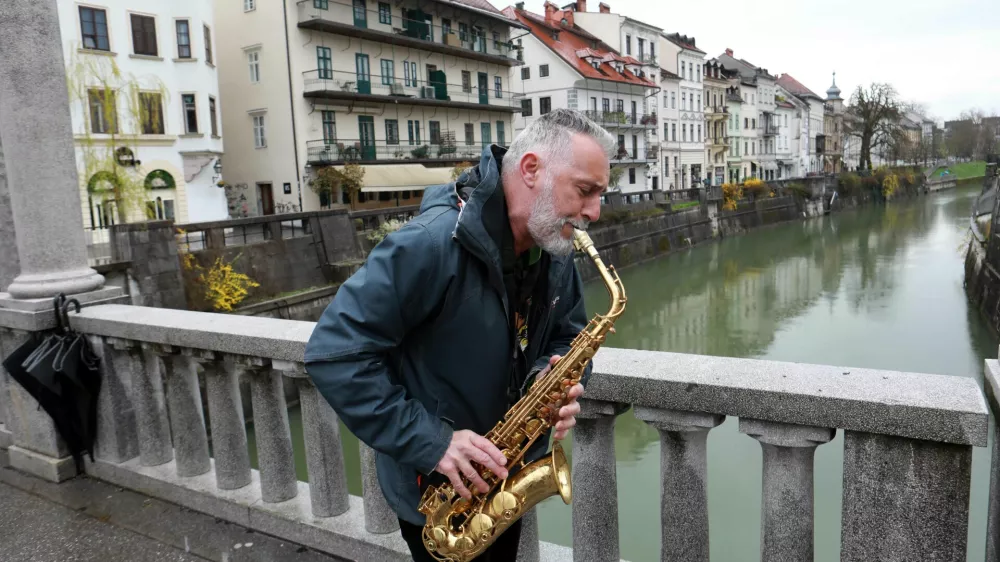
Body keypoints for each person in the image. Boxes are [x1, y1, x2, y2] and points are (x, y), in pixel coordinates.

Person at [304, 109, 616, 561]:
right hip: (439, 495)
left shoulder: (552, 245)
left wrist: (549, 384)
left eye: (600, 195)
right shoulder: (427, 245)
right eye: (585, 191)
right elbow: (333, 353)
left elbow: (569, 334)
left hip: (503, 476)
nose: (594, 212)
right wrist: (432, 442)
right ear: (531, 170)